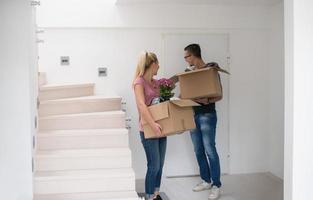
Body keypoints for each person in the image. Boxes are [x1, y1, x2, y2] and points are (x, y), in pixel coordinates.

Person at [184, 44, 222, 200]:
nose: (185, 60)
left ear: (193, 55)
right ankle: (206, 180)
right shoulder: (190, 74)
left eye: (186, 57)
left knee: (210, 150)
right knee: (198, 150)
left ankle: (216, 185)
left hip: (207, 115)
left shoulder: (210, 71)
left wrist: (206, 100)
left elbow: (219, 96)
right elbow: (186, 94)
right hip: (193, 115)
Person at [133, 51, 166, 200]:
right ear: (153, 64)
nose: (159, 66)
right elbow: (141, 105)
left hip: (161, 129)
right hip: (147, 129)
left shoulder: (156, 82)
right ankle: (148, 196)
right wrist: (152, 124)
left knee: (160, 165)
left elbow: (162, 104)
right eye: (158, 64)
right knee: (154, 165)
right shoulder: (139, 82)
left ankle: (155, 193)